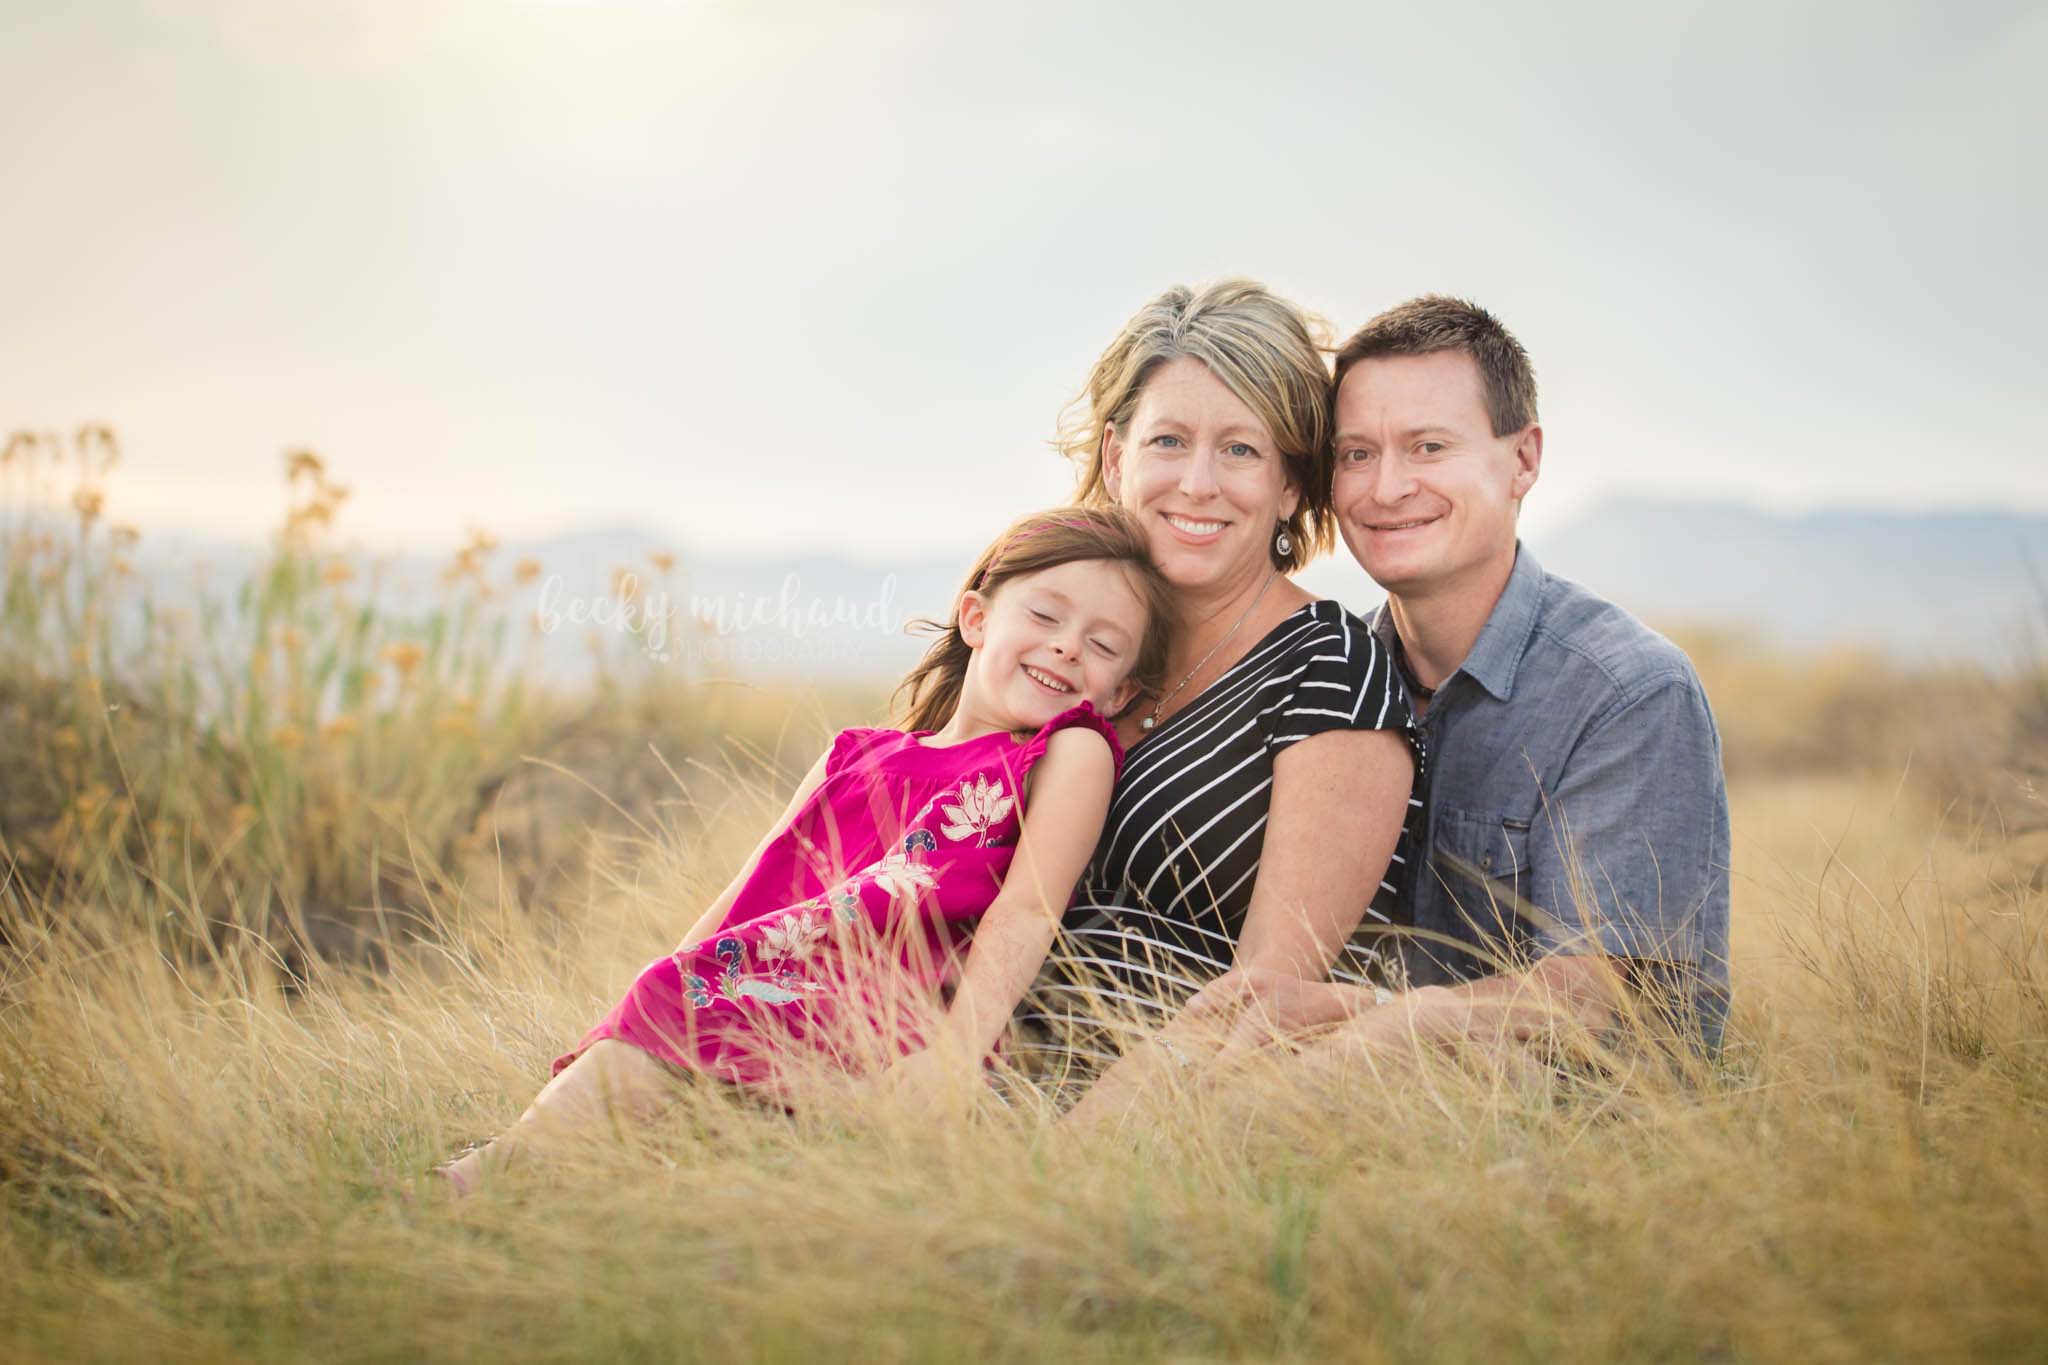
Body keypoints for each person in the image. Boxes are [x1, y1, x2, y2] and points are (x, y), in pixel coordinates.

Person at [434, 506, 1177, 1193]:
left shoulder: (1069, 751)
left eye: (1103, 644)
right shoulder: (854, 755)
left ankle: (498, 1177)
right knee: (647, 1060)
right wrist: (661, 987)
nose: (1067, 645)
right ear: (976, 617)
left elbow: (1027, 908)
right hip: (768, 998)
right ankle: (503, 1172)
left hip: (895, 1028)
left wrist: (954, 1058)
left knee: (665, 1102)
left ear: (1117, 691)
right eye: (1046, 615)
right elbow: (750, 890)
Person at [1208, 295, 1731, 1065]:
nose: (1386, 488)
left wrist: (1377, 1018)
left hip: (1567, 1150)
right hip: (1332, 1137)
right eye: (1357, 454)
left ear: (1523, 458)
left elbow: (1607, 1000)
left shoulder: (1626, 692)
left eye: (1428, 447)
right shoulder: (1329, 682)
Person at [1015, 281, 1422, 1125]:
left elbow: (1266, 1004)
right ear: (1116, 457)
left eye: (1240, 450)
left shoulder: (1330, 669)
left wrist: (1050, 1166)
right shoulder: (1071, 652)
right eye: (1169, 440)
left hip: (1168, 1128)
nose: (1198, 484)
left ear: (1288, 488)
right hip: (971, 1071)